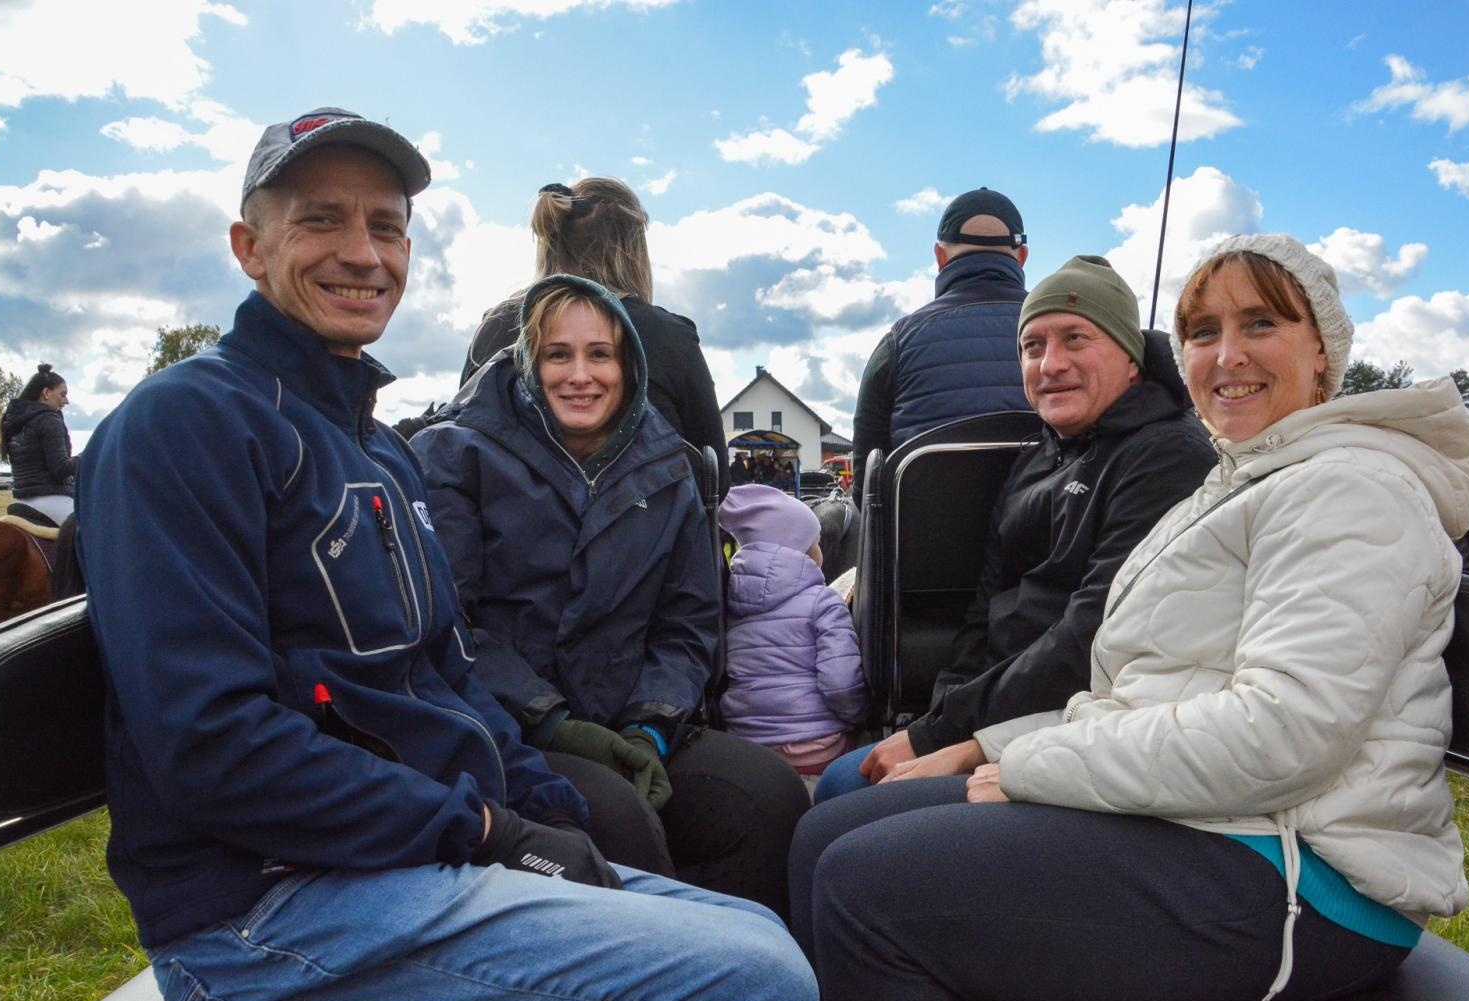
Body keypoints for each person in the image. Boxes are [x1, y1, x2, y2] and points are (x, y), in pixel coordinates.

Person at [76, 107, 815, 1001]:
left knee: (764, 938)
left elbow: (446, 670)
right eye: (320, 221)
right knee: (760, 993)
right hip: (266, 916)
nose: (362, 253)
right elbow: (213, 744)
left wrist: (546, 800)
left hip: (398, 860)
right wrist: (482, 827)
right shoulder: (187, 425)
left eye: (385, 226)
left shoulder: (378, 448)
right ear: (248, 248)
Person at [789, 234, 1469, 1001]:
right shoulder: (1244, 480)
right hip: (1213, 819)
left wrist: (1023, 768)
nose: (1227, 355)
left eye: (1260, 323)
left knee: (864, 888)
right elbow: (1141, 693)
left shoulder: (1349, 488)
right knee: (827, 837)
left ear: (1324, 351)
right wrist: (986, 742)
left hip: (1311, 875)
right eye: (1201, 332)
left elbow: (1283, 737)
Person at [414, 274, 812, 920]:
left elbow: (688, 621)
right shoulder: (456, 456)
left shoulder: (666, 466)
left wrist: (651, 723)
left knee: (769, 794)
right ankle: (672, 996)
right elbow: (450, 625)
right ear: (527, 361)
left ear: (628, 365)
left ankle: (767, 982)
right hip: (510, 729)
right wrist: (550, 720)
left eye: (599, 354)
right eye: (557, 354)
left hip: (629, 720)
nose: (580, 375)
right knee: (615, 817)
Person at [815, 255, 1216, 801]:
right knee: (842, 783)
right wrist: (941, 714)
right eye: (1033, 347)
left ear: (1131, 359)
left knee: (841, 792)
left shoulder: (1165, 458)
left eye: (1076, 339)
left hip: (1075, 724)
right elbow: (986, 611)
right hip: (994, 711)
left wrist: (945, 734)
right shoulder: (1038, 455)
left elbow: (1090, 638)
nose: (1051, 364)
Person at [462, 177, 729, 488]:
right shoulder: (666, 336)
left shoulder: (494, 327)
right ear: (633, 250)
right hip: (644, 528)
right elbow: (714, 475)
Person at [851, 187, 1030, 496]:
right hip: (1050, 539)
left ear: (939, 256)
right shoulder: (1071, 337)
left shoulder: (898, 342)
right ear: (1022, 257)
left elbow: (865, 481)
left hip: (920, 541)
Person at [717, 484, 867, 775]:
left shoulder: (732, 605)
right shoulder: (823, 602)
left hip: (748, 747)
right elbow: (841, 684)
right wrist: (859, 716)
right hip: (817, 749)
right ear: (804, 551)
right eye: (817, 542)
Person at [0, 363, 77, 526]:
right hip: (52, 501)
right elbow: (60, 469)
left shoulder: (16, 422)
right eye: (62, 394)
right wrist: (89, 456)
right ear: (46, 393)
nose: (66, 401)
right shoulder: (49, 419)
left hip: (20, 501)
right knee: (101, 531)